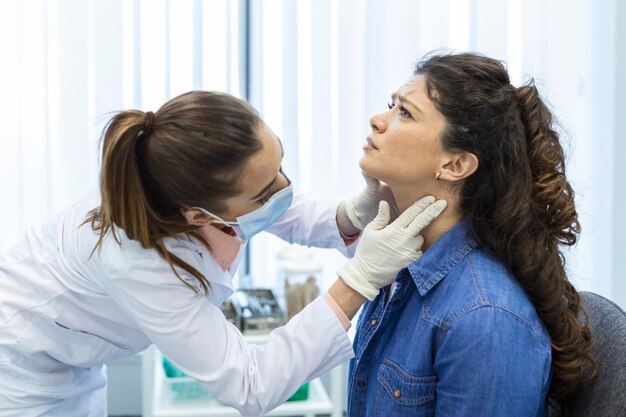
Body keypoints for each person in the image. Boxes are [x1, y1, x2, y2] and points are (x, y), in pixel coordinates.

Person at [0, 91, 447, 416]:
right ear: (197, 215)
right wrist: (358, 281)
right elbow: (249, 386)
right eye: (267, 189)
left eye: (280, 166)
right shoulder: (135, 260)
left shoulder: (200, 181)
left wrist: (349, 215)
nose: (285, 190)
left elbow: (276, 211)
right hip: (23, 371)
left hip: (73, 357)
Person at [347, 52, 595, 417]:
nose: (378, 120)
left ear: (455, 164)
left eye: (405, 112)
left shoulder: (485, 319)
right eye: (391, 105)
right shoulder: (398, 266)